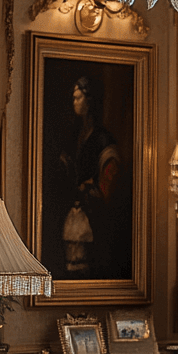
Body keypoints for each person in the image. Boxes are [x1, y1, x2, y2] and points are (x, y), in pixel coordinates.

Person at [58, 76, 125, 279]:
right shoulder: (75, 135)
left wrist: (92, 188)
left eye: (79, 98)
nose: (75, 103)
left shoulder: (101, 137)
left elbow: (110, 174)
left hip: (94, 212)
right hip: (76, 208)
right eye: (73, 98)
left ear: (89, 100)